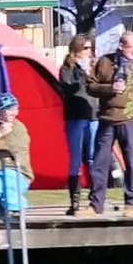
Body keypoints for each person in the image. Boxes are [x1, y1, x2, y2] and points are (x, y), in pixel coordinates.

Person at [82, 31, 133, 218]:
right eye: (130, 48)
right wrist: (109, 88)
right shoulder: (105, 62)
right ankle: (95, 205)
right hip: (107, 120)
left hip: (130, 119)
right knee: (100, 162)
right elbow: (90, 86)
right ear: (121, 46)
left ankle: (132, 204)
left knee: (132, 162)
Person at [59, 34, 98, 216]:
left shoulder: (94, 67)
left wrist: (91, 72)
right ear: (77, 49)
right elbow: (69, 88)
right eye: (85, 48)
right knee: (76, 159)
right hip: (76, 117)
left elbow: (99, 86)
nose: (88, 52)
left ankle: (94, 200)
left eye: (90, 48)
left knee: (92, 158)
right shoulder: (67, 68)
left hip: (93, 116)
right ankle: (74, 201)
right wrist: (82, 72)